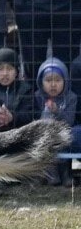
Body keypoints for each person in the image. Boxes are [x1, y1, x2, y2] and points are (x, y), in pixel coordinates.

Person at [33, 56, 81, 185]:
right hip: (43, 136)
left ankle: (65, 172)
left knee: (66, 136)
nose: (53, 84)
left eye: (58, 80)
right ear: (41, 82)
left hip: (64, 133)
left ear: (65, 81)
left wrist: (56, 111)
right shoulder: (37, 97)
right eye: (48, 80)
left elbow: (69, 121)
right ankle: (50, 172)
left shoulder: (71, 97)